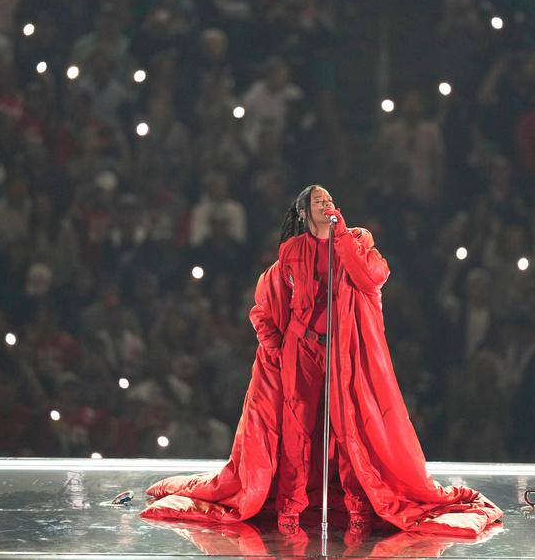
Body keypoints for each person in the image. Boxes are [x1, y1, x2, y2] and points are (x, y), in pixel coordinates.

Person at [139, 185, 502, 536]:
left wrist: (343, 238)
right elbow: (264, 305)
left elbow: (374, 277)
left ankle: (359, 508)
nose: (327, 203)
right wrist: (277, 348)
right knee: (298, 430)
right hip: (302, 350)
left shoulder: (357, 239)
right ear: (304, 212)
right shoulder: (291, 251)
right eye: (318, 200)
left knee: (347, 429)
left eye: (329, 198)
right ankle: (290, 508)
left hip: (344, 351)